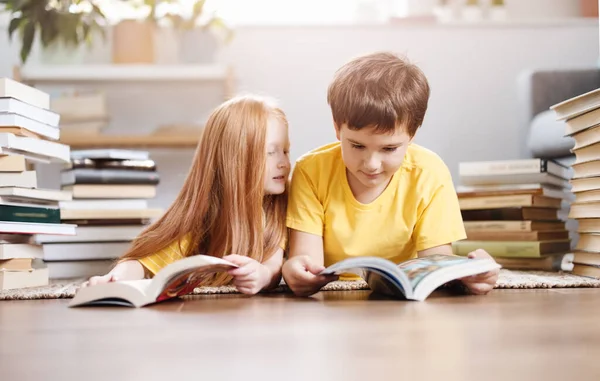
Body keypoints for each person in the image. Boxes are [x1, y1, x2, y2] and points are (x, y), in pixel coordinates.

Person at [282, 52, 500, 297]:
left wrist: (470, 274)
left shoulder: (429, 172)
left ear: (412, 135)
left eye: (389, 149)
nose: (372, 164)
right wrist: (297, 271)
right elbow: (306, 260)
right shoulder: (310, 171)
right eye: (357, 146)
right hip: (334, 300)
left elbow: (435, 261)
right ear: (336, 128)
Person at [85, 94, 291, 295]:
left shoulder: (284, 203)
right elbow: (145, 262)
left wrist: (262, 275)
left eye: (286, 151)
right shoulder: (203, 216)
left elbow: (274, 263)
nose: (283, 162)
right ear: (234, 159)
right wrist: (116, 278)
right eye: (271, 152)